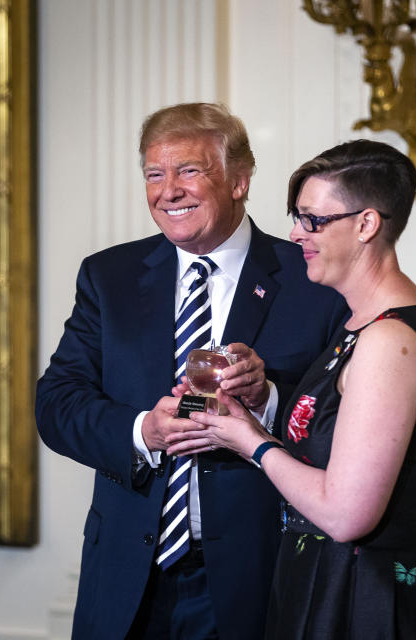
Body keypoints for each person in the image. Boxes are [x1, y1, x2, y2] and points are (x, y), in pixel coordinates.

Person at [35, 102, 348, 640]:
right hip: (127, 578)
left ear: (239, 180)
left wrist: (268, 399)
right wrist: (142, 431)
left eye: (189, 170)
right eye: (154, 174)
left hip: (257, 576)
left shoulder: (311, 279)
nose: (168, 190)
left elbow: (349, 424)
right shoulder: (108, 277)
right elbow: (57, 404)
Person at [168, 140, 416, 639]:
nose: (295, 234)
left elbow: (345, 513)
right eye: (297, 217)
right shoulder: (359, 325)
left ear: (366, 224)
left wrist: (249, 443)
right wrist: (245, 413)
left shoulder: (389, 340)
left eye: (312, 220)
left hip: (366, 599)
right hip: (325, 582)